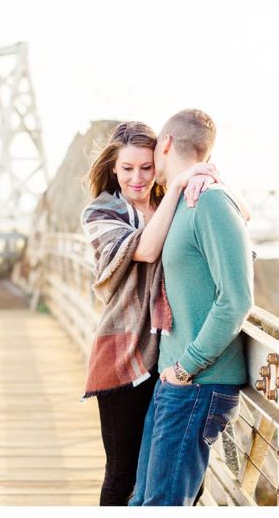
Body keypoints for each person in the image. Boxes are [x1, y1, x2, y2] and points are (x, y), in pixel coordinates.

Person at [80, 121, 220, 505]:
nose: (137, 178)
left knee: (182, 476)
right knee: (123, 474)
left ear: (159, 159)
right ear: (113, 168)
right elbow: (144, 250)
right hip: (124, 356)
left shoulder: (171, 201)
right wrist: (177, 185)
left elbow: (232, 217)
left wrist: (210, 180)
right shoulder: (101, 212)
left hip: (174, 355)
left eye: (146, 167)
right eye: (127, 169)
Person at [128, 109, 254, 506]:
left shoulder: (211, 200)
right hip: (176, 380)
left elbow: (236, 299)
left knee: (161, 505)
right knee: (142, 502)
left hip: (197, 381)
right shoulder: (185, 199)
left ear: (165, 144)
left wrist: (186, 367)